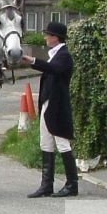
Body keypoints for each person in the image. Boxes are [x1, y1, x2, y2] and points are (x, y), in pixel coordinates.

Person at [22, 21, 78, 198]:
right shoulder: (54, 54)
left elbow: (54, 69)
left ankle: (72, 184)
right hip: (48, 105)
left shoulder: (64, 55)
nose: (45, 37)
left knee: (62, 144)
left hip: (58, 107)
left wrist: (33, 61)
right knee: (45, 143)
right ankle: (47, 185)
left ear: (55, 37)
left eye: (48, 35)